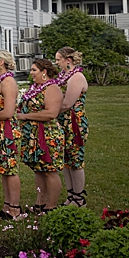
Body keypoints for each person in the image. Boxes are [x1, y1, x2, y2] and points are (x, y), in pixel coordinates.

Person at [15, 58, 64, 212]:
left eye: (34, 70)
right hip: (33, 134)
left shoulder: (52, 88)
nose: (31, 73)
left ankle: (51, 206)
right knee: (39, 169)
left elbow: (51, 113)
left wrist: (25, 116)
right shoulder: (35, 87)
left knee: (49, 170)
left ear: (44, 72)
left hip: (48, 135)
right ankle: (40, 203)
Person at [0, 49, 21, 219]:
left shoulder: (7, 82)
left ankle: (15, 207)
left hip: (7, 129)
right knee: (4, 168)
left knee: (11, 168)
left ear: (1, 62)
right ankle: (7, 205)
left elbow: (8, 112)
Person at [55, 47, 89, 207]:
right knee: (66, 160)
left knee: (75, 160)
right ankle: (70, 195)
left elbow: (67, 103)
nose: (56, 62)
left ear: (67, 60)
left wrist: (49, 112)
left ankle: (79, 198)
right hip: (62, 122)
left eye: (58, 59)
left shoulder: (76, 77)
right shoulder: (63, 76)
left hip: (74, 123)